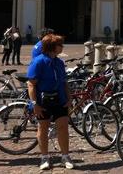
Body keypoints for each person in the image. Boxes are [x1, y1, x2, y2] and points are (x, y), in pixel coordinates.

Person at [27, 34, 74, 169]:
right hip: (43, 101)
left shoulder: (59, 62)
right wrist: (35, 104)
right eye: (60, 45)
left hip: (59, 99)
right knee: (43, 127)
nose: (62, 47)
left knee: (63, 127)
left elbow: (64, 82)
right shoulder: (39, 62)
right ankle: (44, 157)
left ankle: (65, 156)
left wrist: (69, 98)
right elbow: (31, 84)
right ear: (53, 47)